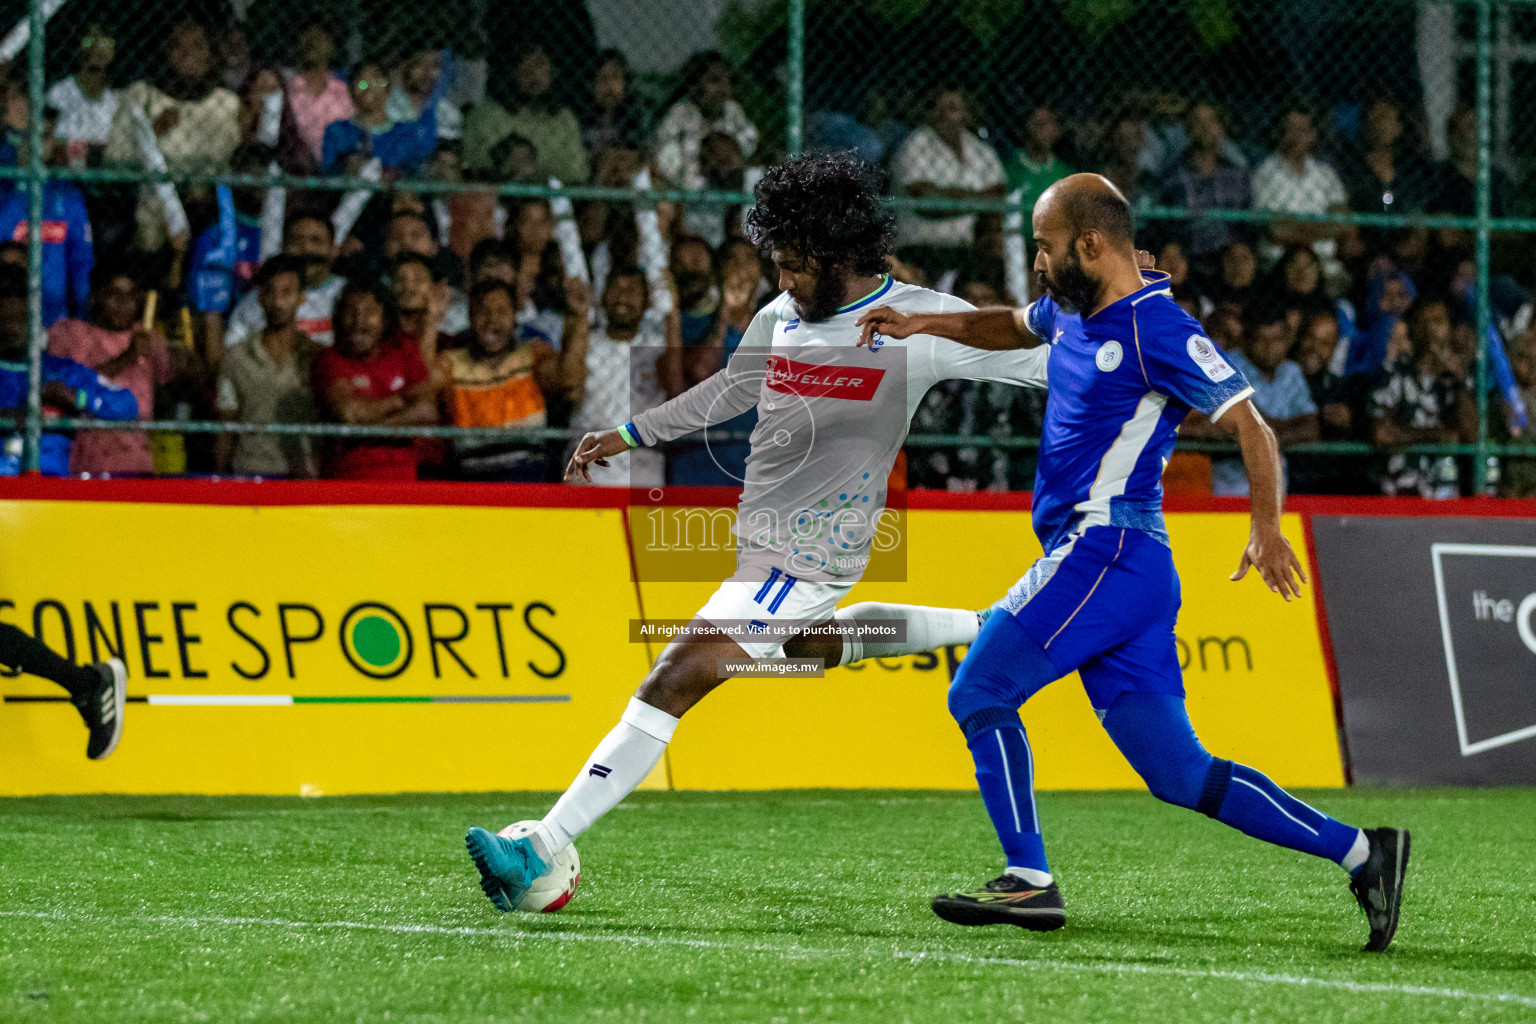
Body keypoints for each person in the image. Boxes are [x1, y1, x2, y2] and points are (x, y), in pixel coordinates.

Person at [462, 153, 1055, 915]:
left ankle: (538, 845)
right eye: (777, 266)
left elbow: (1046, 364)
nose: (783, 282)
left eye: (796, 267)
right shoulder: (781, 317)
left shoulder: (919, 321)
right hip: (766, 544)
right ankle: (982, 625)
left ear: (841, 255)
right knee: (806, 646)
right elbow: (730, 390)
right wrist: (626, 432)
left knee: (674, 676)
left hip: (811, 552)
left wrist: (1129, 333)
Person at [855, 174, 1409, 952]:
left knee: (979, 690)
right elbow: (1010, 325)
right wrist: (918, 323)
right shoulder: (1071, 309)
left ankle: (1030, 880)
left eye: (1045, 248)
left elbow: (1254, 428)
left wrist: (1266, 527)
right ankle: (1363, 852)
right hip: (1128, 568)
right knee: (1179, 774)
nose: (1038, 263)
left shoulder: (1160, 327)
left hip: (1104, 549)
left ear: (1089, 245)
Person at [104, 18, 241, 253]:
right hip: (151, 209)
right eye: (179, 46)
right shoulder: (142, 97)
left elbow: (231, 164)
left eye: (198, 46)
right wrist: (151, 135)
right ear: (165, 52)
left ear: (210, 54)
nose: (188, 55)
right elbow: (113, 159)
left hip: (206, 206)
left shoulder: (226, 104)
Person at [442, 277, 588, 481]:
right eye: (482, 311)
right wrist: (430, 322)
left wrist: (578, 318)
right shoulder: (451, 363)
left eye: (501, 311)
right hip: (470, 481)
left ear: (514, 317)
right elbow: (421, 388)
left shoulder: (532, 355)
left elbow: (568, 378)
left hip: (527, 477)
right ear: (470, 317)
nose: (491, 319)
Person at [47, 264, 182, 476]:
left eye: (131, 295)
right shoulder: (70, 333)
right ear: (95, 297)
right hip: (87, 462)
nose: (124, 303)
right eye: (114, 294)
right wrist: (127, 358)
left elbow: (180, 389)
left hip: (137, 464)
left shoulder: (147, 338)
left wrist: (185, 359)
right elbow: (67, 387)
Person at [313, 280, 438, 480]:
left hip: (401, 481)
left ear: (385, 318)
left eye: (369, 312)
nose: (358, 321)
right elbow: (348, 413)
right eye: (350, 312)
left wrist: (364, 429)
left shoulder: (404, 349)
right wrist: (397, 402)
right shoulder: (329, 359)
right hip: (345, 481)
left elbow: (427, 411)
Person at [568, 267, 677, 487]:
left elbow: (676, 387)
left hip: (644, 465)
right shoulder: (588, 343)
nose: (623, 296)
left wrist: (672, 314)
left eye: (632, 290)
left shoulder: (657, 345)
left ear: (647, 302)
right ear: (602, 298)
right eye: (616, 289)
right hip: (592, 463)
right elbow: (567, 388)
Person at [215, 255, 319, 478]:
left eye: (287, 292)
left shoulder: (317, 357)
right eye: (270, 292)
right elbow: (226, 424)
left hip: (305, 475)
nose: (277, 302)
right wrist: (220, 478)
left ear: (302, 297)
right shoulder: (236, 358)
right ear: (260, 297)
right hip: (251, 472)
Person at [892, 87, 1006, 280]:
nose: (946, 115)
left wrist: (951, 196)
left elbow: (998, 195)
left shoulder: (979, 149)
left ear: (967, 114)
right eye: (940, 108)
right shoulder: (916, 144)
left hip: (969, 249)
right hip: (921, 248)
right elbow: (928, 202)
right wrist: (979, 199)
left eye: (953, 108)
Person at [1370, 295, 1476, 498]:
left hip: (1446, 494)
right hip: (1400, 493)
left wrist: (1458, 381)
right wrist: (1439, 436)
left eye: (1438, 321)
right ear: (1412, 330)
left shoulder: (1458, 381)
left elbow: (1470, 434)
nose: (1430, 331)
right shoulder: (1394, 373)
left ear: (1450, 329)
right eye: (1423, 322)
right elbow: (1381, 433)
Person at [1211, 299, 1319, 496]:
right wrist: (1284, 428)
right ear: (1247, 338)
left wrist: (1269, 436)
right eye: (1262, 339)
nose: (1270, 348)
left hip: (1276, 487)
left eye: (1277, 339)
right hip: (1231, 488)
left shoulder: (1291, 371)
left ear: (1287, 338)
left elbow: (1310, 427)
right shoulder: (1227, 367)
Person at [0, 102, 93, 327]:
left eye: (45, 136)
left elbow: (81, 264)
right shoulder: (4, 192)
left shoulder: (68, 197)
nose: (36, 145)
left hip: (55, 320)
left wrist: (81, 320)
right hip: (7, 317)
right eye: (29, 134)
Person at [1251, 104, 1349, 276]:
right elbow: (1274, 231)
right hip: (1278, 268)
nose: (1296, 136)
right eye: (1290, 129)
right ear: (1279, 133)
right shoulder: (1265, 173)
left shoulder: (1326, 173)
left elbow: (1342, 223)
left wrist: (1293, 229)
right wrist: (1321, 229)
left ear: (1312, 135)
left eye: (1302, 129)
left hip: (1325, 268)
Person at [224, 212, 345, 348]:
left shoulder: (347, 295)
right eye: (297, 240)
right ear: (283, 247)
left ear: (334, 250)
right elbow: (233, 348)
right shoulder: (260, 298)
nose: (306, 249)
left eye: (316, 240)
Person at [1160, 102, 1250, 282]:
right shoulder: (1174, 174)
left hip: (1227, 257)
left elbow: (1246, 222)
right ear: (1188, 129)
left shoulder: (1236, 174)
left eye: (1211, 121)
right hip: (1188, 254)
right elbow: (1166, 225)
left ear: (1221, 127)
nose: (1205, 128)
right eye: (1198, 122)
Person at [653, 51, 758, 191]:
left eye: (728, 81)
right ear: (695, 85)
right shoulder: (680, 114)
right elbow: (666, 163)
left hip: (728, 185)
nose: (723, 89)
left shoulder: (733, 111)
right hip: (690, 189)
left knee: (754, 176)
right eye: (714, 81)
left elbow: (751, 145)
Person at [321, 62, 438, 176]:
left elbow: (413, 172)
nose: (369, 87)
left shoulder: (404, 133)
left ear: (389, 89)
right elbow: (327, 172)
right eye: (361, 83)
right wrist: (345, 167)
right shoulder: (337, 131)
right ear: (350, 90)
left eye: (377, 81)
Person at [47, 25, 118, 169]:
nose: (96, 49)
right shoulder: (59, 92)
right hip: (63, 174)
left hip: (102, 175)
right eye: (89, 42)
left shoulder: (115, 99)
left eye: (104, 43)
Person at [284, 20, 353, 168]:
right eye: (307, 36)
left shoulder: (343, 91)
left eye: (320, 37)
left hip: (337, 166)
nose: (312, 42)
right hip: (293, 165)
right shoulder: (286, 86)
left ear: (332, 46)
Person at [1001, 104, 1072, 216]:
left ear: (1057, 131)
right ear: (1025, 128)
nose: (1043, 129)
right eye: (1037, 123)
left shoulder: (1065, 172)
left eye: (1048, 123)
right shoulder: (1010, 168)